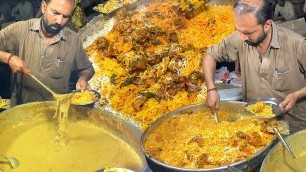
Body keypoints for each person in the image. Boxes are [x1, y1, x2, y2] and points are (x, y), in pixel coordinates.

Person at [203, 0, 306, 134]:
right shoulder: (240, 38)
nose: (242, 37)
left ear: (267, 25)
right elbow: (210, 55)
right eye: (238, 30)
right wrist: (211, 89)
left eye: (248, 33)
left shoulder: (296, 44)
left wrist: (297, 95)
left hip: (293, 128)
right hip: (256, 126)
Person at [0, 0, 95, 107]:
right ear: (44, 6)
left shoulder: (73, 39)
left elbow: (87, 69)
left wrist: (83, 78)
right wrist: (8, 58)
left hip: (56, 112)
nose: (59, 21)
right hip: (22, 110)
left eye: (65, 16)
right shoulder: (21, 30)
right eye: (55, 13)